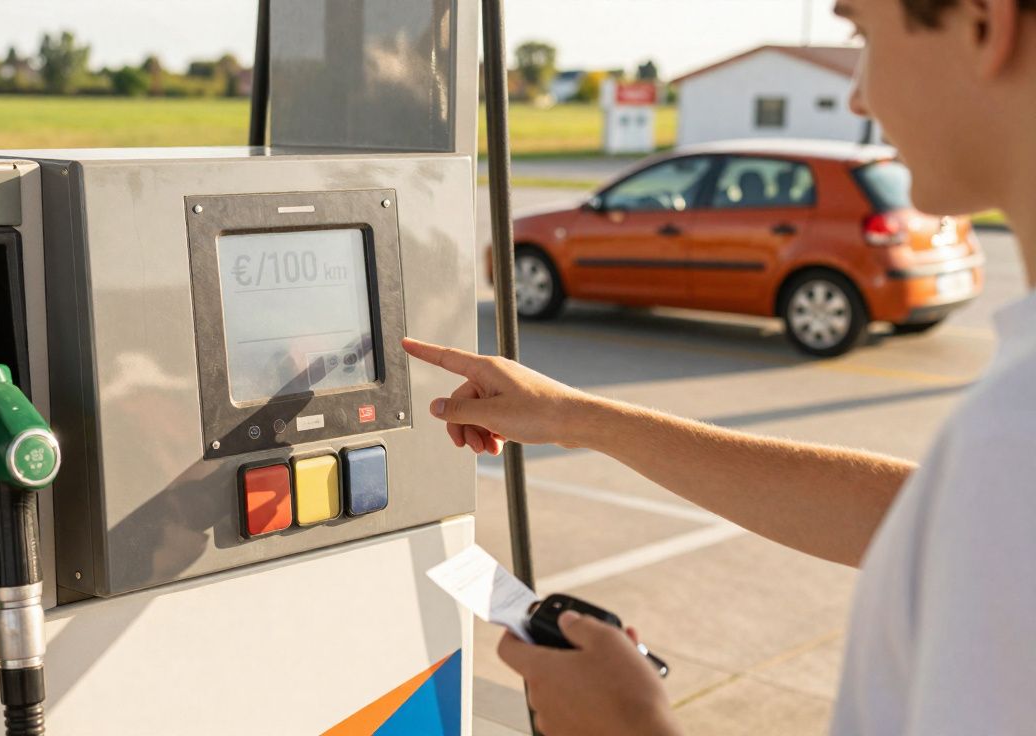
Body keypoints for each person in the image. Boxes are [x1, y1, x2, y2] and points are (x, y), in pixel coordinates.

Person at [403, 0, 1036, 733]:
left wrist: (631, 726)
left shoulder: (1010, 440)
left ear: (984, 24)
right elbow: (916, 515)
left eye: (862, 31)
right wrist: (577, 419)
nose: (858, 94)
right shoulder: (1001, 461)